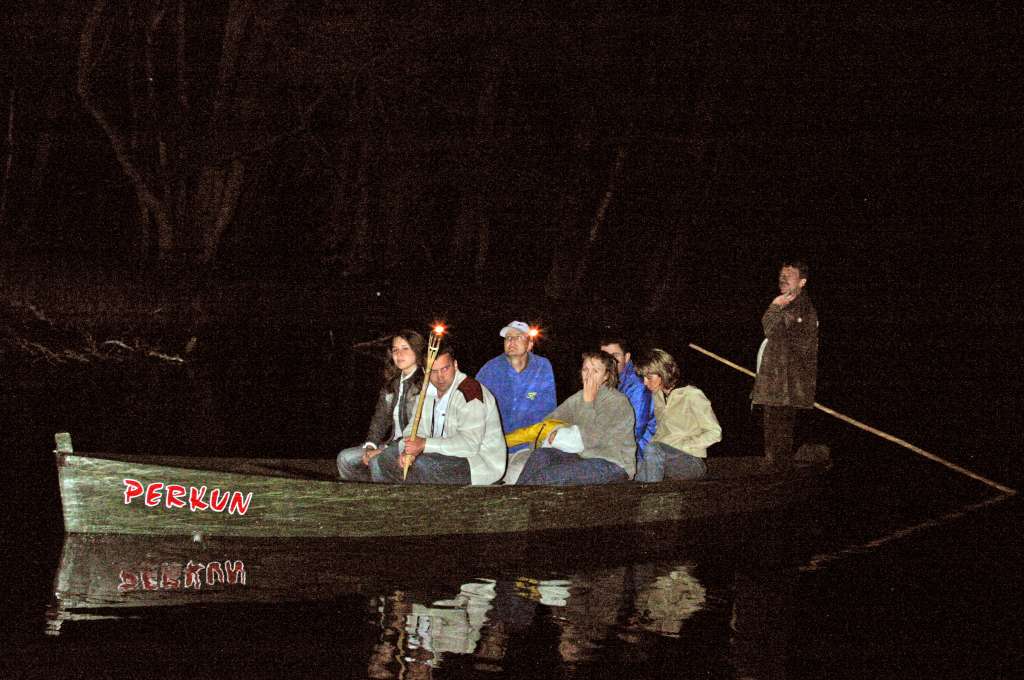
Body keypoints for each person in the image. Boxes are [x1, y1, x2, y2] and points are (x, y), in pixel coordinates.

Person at [371, 343, 507, 485]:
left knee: (421, 465)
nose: (440, 377)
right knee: (383, 459)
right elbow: (415, 428)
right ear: (425, 371)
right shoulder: (425, 392)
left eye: (445, 368)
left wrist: (424, 445)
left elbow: (469, 445)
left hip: (477, 463)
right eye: (433, 371)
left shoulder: (470, 393)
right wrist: (409, 450)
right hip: (438, 454)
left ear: (455, 365)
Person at [516, 351, 636, 485]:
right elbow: (549, 421)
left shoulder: (616, 401)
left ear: (606, 376)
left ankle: (518, 498)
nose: (589, 375)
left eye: (595, 371)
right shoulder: (579, 397)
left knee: (547, 476)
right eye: (585, 370)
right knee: (541, 455)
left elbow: (591, 438)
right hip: (583, 458)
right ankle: (512, 496)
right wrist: (553, 432)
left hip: (613, 463)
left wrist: (588, 403)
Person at [751, 260, 819, 468]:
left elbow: (770, 329)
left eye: (789, 275)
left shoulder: (801, 309)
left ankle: (779, 477)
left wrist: (775, 305)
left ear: (802, 282)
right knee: (773, 442)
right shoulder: (790, 306)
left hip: (786, 388)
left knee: (779, 444)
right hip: (778, 387)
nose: (783, 279)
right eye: (781, 275)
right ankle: (776, 472)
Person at [336, 330, 426, 481]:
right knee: (345, 458)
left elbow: (422, 428)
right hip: (390, 444)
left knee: (377, 461)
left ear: (417, 351)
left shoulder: (425, 384)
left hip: (411, 448)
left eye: (405, 348)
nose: (399, 354)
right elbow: (380, 419)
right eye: (395, 350)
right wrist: (371, 445)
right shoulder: (392, 383)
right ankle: (364, 491)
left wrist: (386, 451)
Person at [633, 348, 721, 482]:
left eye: (649, 378)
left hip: (692, 461)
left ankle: (652, 494)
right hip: (664, 456)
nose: (645, 382)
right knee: (634, 466)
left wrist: (683, 445)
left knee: (653, 449)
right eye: (643, 378)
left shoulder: (691, 394)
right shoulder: (657, 395)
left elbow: (715, 433)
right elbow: (661, 431)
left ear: (663, 373)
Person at [476, 321, 557, 453]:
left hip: (529, 445)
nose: (512, 341)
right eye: (508, 337)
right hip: (494, 445)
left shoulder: (542, 366)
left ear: (529, 344)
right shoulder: (490, 369)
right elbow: (474, 405)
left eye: (518, 337)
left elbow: (548, 408)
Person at [599, 337, 656, 457]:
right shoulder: (607, 380)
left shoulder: (637, 385)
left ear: (627, 357)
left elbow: (634, 432)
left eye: (615, 355)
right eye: (605, 356)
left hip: (637, 453)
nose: (610, 361)